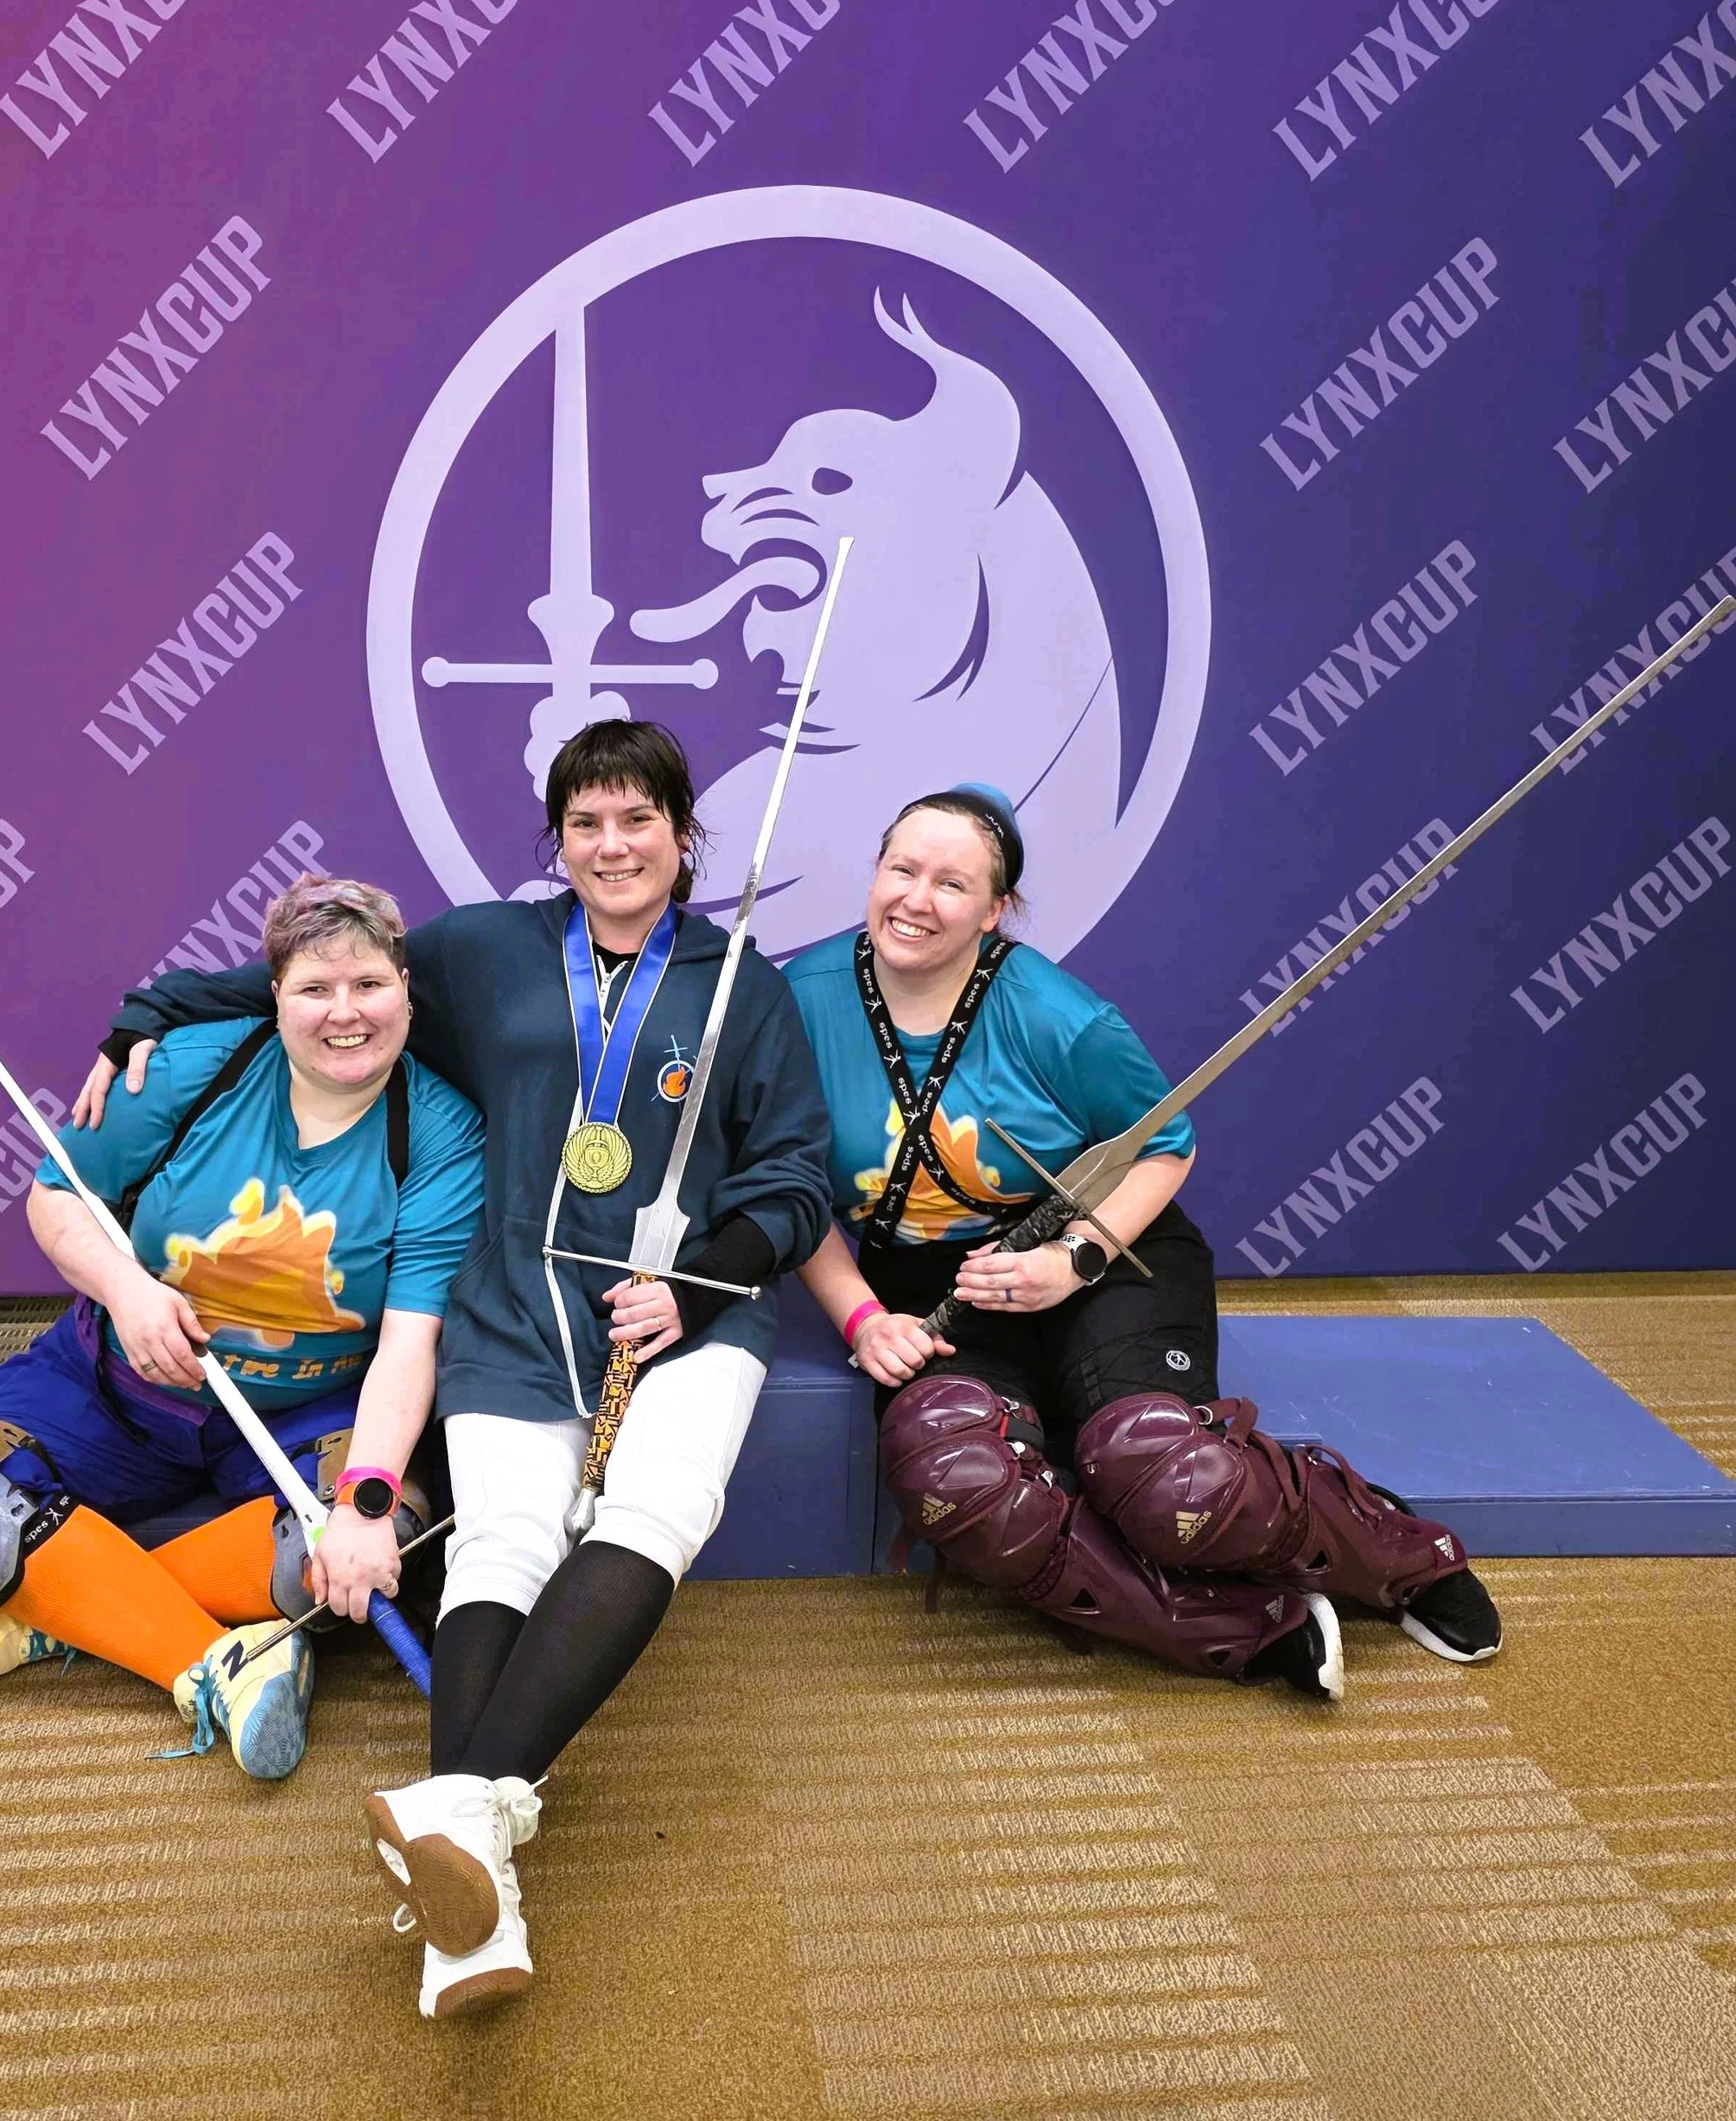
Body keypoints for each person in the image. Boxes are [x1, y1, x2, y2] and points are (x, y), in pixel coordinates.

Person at [76, 721, 831, 2019]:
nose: (612, 845)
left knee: (657, 1512)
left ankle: (459, 1830)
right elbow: (323, 982)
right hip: (510, 1298)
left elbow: (797, 1173)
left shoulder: (741, 985)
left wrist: (704, 1279)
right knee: (502, 1540)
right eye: (585, 823)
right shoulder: (484, 949)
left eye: (638, 819)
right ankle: (473, 1846)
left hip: (682, 1309)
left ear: (683, 833)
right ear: (558, 840)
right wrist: (147, 1013)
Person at [786, 783, 1502, 1690]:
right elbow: (783, 1182)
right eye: (902, 869)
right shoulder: (800, 1000)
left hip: (1103, 1254)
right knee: (951, 1473)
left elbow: (1166, 1145)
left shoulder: (1056, 1014)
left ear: (995, 910)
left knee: (1158, 1469)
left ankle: (1398, 1551)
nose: (916, 900)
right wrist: (861, 1318)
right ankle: (1238, 1625)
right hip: (938, 1288)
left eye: (952, 883)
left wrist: (1071, 1259)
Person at [0, 876, 483, 1781]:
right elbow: (55, 1197)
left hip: (304, 1409)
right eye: (315, 988)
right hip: (110, 1387)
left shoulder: (442, 1131)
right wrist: (126, 1289)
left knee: (371, 1544)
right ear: (274, 994)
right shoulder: (186, 1067)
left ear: (405, 987)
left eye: (368, 984)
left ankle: (59, 1606)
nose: (345, 1012)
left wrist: (362, 1500)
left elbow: (408, 1339)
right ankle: (214, 1659)